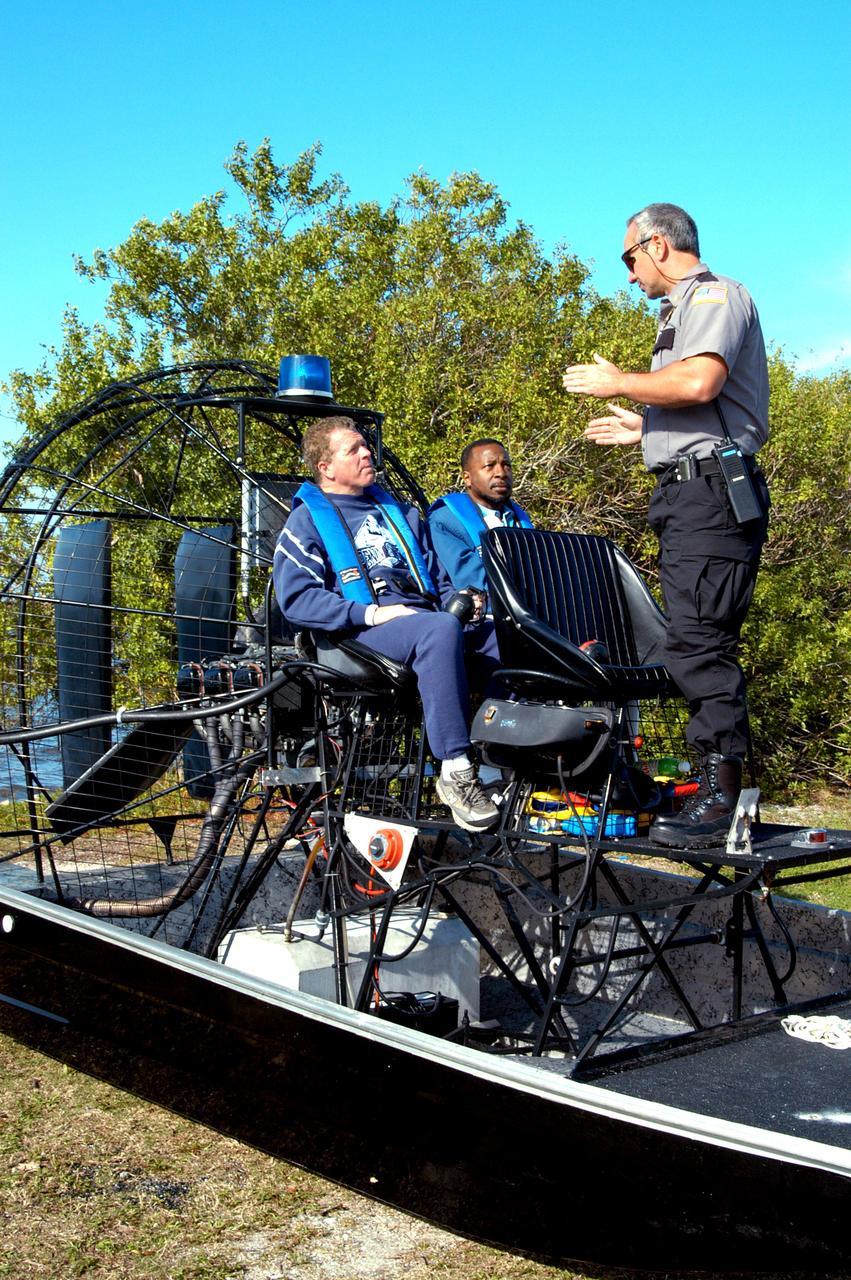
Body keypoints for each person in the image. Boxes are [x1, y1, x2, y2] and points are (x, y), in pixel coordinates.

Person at [562, 203, 770, 850]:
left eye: (628, 258)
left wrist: (619, 383)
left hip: (707, 496)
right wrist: (644, 428)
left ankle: (720, 795)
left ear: (656, 244)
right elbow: (696, 404)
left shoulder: (709, 295)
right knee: (692, 638)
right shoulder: (681, 308)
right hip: (695, 494)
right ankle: (717, 789)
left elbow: (701, 379)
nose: (627, 275)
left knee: (697, 643)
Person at [273, 415, 499, 832]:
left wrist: (462, 600)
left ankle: (500, 759)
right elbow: (296, 599)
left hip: (419, 620)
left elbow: (440, 579)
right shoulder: (306, 521)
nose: (366, 453)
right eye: (353, 450)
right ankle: (456, 772)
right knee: (438, 630)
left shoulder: (402, 513)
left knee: (499, 636)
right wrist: (371, 612)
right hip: (356, 633)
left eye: (366, 446)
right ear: (326, 468)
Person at [427, 439, 534, 604]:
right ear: (467, 478)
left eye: (506, 465)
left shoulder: (517, 519)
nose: (501, 473)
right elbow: (472, 582)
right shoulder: (446, 520)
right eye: (489, 466)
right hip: (490, 616)